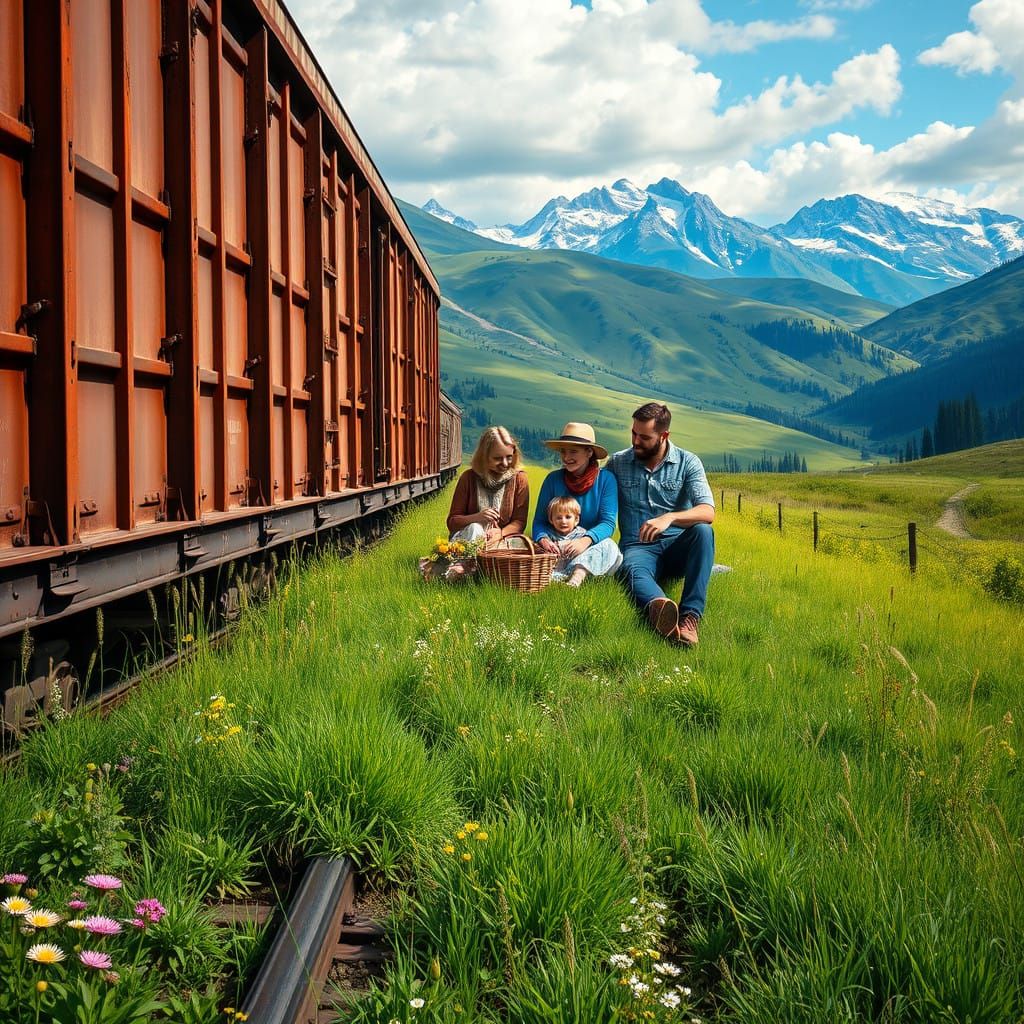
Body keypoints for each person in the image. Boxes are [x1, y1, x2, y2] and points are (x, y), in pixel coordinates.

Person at [606, 402, 715, 647]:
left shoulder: (688, 462)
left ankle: (689, 618)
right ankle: (662, 608)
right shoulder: (618, 463)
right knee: (631, 570)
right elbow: (597, 494)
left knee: (703, 531)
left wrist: (670, 517)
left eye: (644, 437)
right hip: (638, 547)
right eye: (633, 433)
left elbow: (707, 511)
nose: (635, 441)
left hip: (678, 547)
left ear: (664, 436)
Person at [532, 422, 621, 585]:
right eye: (563, 451)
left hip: (590, 546)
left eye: (573, 451)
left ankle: (575, 577)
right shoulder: (553, 479)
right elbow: (539, 521)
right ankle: (558, 576)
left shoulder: (606, 480)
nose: (566, 457)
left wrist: (584, 540)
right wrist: (544, 540)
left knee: (610, 547)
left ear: (589, 452)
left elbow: (608, 523)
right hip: (557, 546)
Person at [446, 426, 530, 548]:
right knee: (475, 528)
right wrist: (478, 517)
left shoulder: (520, 479)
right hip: (468, 539)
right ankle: (466, 564)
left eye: (509, 457)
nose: (505, 463)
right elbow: (452, 522)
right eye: (497, 458)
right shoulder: (468, 477)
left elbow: (519, 522)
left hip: (503, 539)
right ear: (484, 456)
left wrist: (501, 533)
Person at [545, 495, 620, 587]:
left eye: (568, 517)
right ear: (551, 520)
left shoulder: (581, 534)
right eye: (559, 518)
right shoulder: (549, 536)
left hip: (580, 567)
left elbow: (590, 552)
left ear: (576, 520)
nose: (563, 521)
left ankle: (575, 581)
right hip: (558, 571)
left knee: (606, 545)